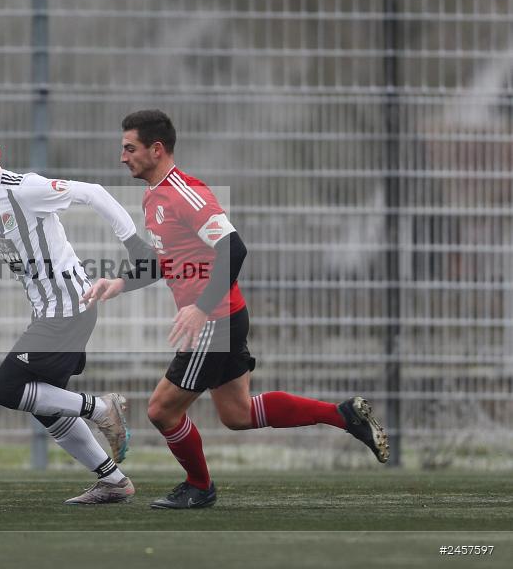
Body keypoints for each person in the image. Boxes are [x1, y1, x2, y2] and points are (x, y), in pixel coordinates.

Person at [81, 109, 390, 510]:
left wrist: (200, 309)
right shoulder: (154, 195)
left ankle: (199, 486)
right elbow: (167, 260)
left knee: (161, 410)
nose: (123, 157)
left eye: (130, 148)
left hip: (215, 321)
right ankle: (343, 415)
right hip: (223, 317)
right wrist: (121, 283)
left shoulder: (185, 192)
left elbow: (234, 247)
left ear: (156, 150)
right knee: (238, 412)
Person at [0, 114, 148, 504]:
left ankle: (102, 408)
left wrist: (134, 244)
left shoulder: (27, 189)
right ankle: (114, 481)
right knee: (45, 404)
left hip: (71, 306)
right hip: (47, 312)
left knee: (6, 388)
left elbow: (95, 192)